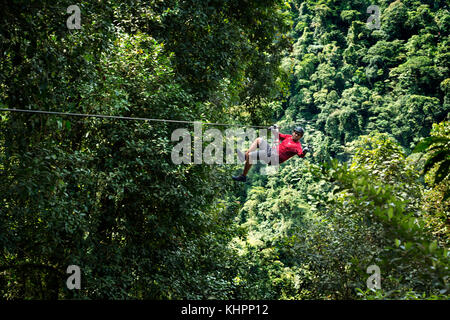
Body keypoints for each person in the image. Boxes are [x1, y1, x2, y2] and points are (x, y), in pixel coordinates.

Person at [232, 125, 309, 182]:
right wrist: (273, 129)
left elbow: (301, 155)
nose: (296, 135)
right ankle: (245, 157)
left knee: (251, 156)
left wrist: (304, 151)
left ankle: (243, 176)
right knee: (259, 140)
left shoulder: (297, 146)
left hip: (274, 158)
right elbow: (278, 135)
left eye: (298, 134)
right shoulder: (288, 137)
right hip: (271, 152)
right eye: (295, 133)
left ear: (300, 137)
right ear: (293, 132)